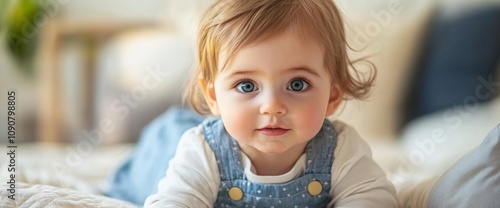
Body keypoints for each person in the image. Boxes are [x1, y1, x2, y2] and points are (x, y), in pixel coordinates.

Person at [145, 0, 398, 207]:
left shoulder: (340, 148)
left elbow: (373, 198)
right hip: (166, 145)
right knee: (162, 144)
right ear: (213, 97)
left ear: (332, 96)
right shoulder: (203, 150)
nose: (272, 106)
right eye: (247, 85)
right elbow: (174, 201)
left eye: (297, 84)